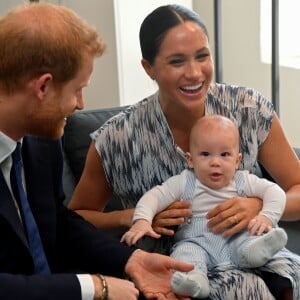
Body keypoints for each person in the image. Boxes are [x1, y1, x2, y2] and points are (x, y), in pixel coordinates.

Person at [69, 3, 300, 299]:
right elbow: (75, 218)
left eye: (202, 56)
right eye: (177, 62)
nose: (194, 73)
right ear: (148, 68)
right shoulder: (117, 138)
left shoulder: (248, 108)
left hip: (257, 255)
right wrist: (132, 217)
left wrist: (257, 206)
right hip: (173, 274)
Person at [0, 3, 195, 300]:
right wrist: (93, 287)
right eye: (77, 89)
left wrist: (131, 260)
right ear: (43, 87)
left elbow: (59, 223)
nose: (81, 104)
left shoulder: (42, 139)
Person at [121, 115, 289, 298]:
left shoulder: (243, 180)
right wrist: (142, 220)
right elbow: (154, 196)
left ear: (237, 160)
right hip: (196, 242)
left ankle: (255, 253)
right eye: (205, 154)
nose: (215, 162)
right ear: (190, 159)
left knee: (249, 239)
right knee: (185, 254)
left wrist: (266, 217)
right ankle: (195, 281)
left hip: (235, 236)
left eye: (225, 154)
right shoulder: (184, 181)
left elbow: (275, 192)